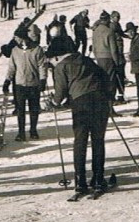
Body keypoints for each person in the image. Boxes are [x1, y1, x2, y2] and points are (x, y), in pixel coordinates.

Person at [45, 35, 111, 197]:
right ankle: (98, 179)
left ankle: (80, 181)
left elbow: (60, 94)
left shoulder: (62, 66)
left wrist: (53, 102)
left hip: (81, 104)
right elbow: (104, 76)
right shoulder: (86, 60)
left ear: (57, 55)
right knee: (98, 140)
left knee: (80, 141)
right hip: (100, 101)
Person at [3, 27, 47, 141]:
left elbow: (42, 66)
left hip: (33, 84)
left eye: (16, 37)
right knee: (20, 110)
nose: (15, 39)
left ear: (23, 38)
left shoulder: (37, 49)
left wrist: (43, 80)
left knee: (34, 109)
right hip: (19, 85)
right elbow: (12, 67)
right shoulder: (15, 51)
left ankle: (33, 130)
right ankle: (21, 133)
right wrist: (7, 81)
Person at [91, 11, 122, 103]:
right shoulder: (109, 31)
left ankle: (104, 102)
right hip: (108, 58)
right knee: (111, 81)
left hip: (99, 58)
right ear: (107, 20)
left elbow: (94, 47)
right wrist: (116, 62)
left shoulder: (95, 31)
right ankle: (110, 104)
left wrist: (97, 57)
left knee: (102, 81)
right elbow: (114, 49)